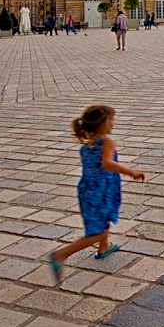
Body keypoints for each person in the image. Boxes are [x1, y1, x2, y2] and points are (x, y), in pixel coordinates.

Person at [48, 105, 145, 283]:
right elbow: (107, 163)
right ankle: (61, 254)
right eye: (111, 120)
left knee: (102, 219)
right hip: (100, 191)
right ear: (102, 124)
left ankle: (104, 248)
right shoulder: (107, 142)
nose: (113, 123)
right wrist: (131, 172)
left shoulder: (86, 146)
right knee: (98, 231)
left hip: (88, 189)